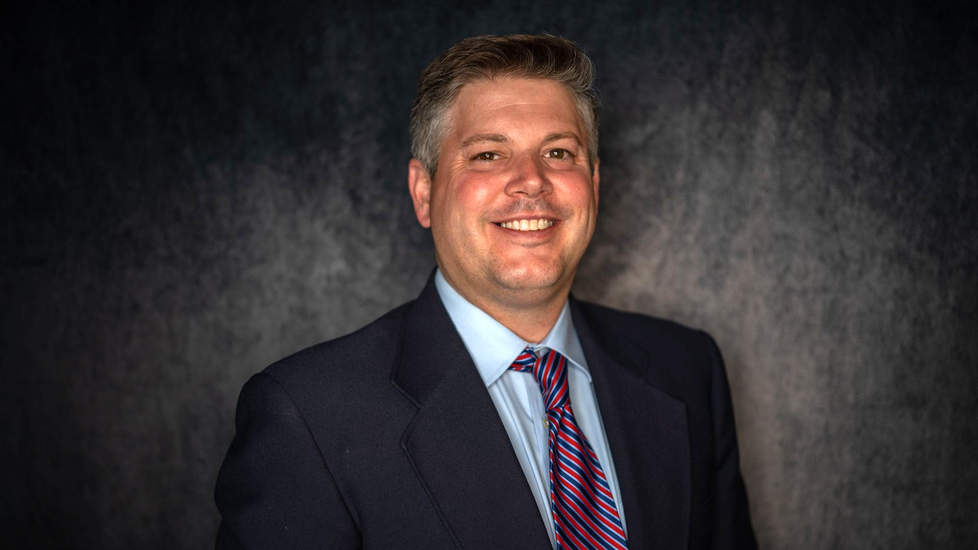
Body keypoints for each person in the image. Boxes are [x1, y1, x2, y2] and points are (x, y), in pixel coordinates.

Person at [214, 34, 757, 550]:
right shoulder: (307, 415)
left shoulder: (687, 369)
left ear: (593, 184)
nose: (531, 181)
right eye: (488, 155)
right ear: (424, 193)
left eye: (560, 153)